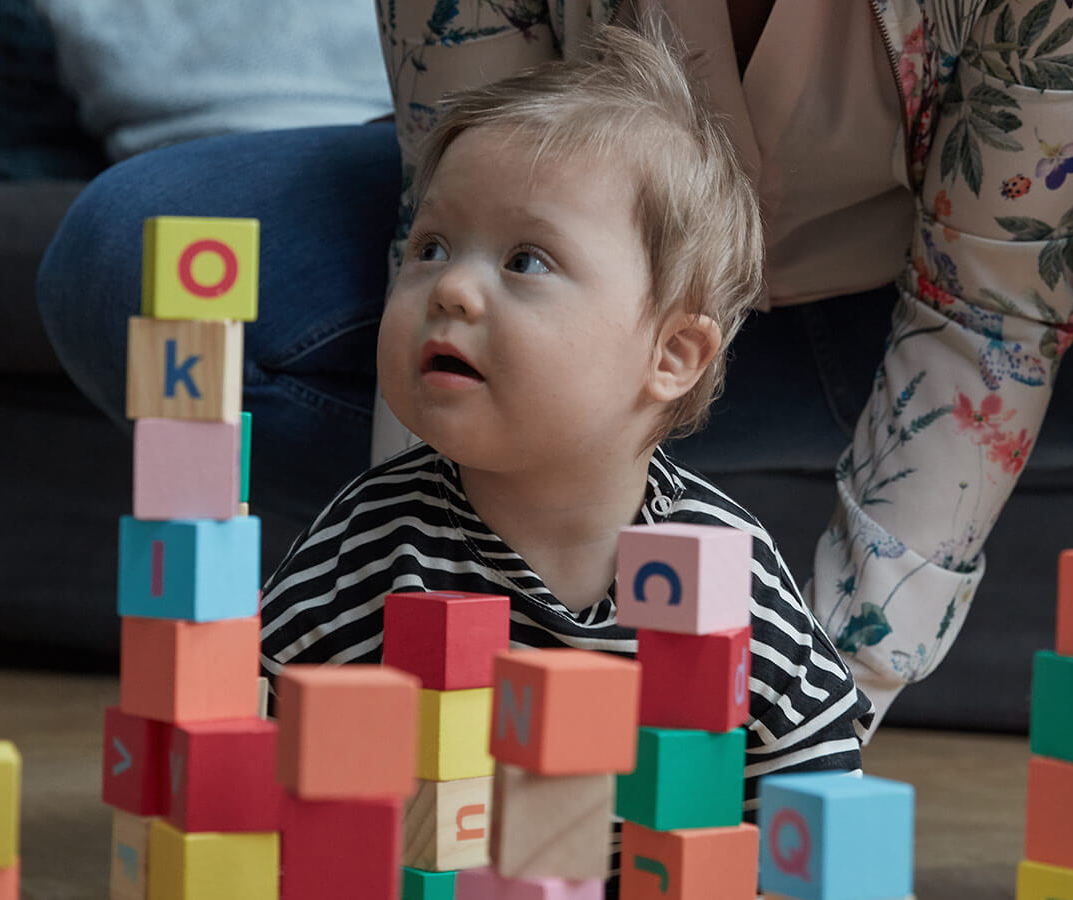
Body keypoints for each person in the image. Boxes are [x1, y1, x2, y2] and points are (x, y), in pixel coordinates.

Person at [37, 1, 1073, 896]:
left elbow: (991, 310)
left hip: (1005, 291)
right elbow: (459, 203)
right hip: (580, 294)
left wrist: (747, 774)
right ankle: (489, 667)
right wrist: (408, 706)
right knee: (137, 251)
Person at [257, 18, 872, 834]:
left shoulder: (725, 567)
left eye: (527, 261)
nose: (452, 291)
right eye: (433, 246)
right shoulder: (370, 542)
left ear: (673, 354)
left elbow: (816, 765)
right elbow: (247, 739)